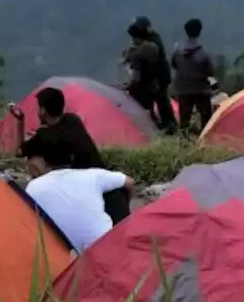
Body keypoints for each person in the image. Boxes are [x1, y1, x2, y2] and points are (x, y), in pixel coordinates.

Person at [18, 87, 130, 224]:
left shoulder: (44, 137)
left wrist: (20, 121)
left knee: (33, 160)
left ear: (43, 111)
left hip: (90, 198)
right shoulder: (73, 120)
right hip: (112, 191)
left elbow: (20, 151)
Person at [24, 139, 134, 253]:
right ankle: (125, 234)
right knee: (116, 190)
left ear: (44, 161)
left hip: (61, 253)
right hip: (102, 246)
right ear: (72, 158)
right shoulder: (92, 175)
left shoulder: (33, 186)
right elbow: (129, 182)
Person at [127, 16, 178, 133]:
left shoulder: (150, 45)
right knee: (159, 103)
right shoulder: (150, 40)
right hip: (156, 77)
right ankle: (166, 125)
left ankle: (168, 126)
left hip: (157, 78)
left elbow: (140, 62)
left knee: (160, 103)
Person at [171, 18, 217, 135]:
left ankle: (183, 139)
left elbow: (174, 65)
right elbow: (210, 71)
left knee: (184, 117)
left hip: (183, 87)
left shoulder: (177, 50)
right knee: (206, 116)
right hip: (200, 88)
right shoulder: (203, 53)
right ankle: (205, 138)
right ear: (199, 32)